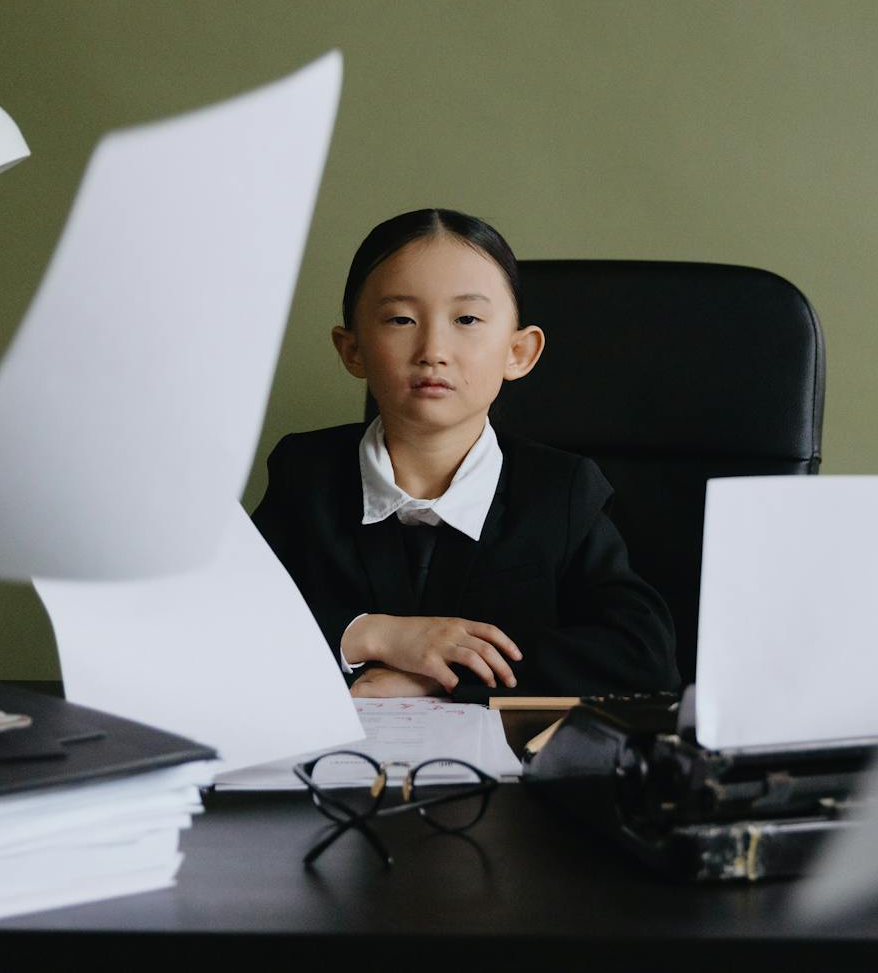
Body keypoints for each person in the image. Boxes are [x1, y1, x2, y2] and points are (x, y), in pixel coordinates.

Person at [252, 208, 680, 697]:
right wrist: (375, 635)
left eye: (467, 319)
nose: (433, 348)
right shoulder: (306, 474)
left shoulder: (561, 491)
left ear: (518, 352)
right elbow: (223, 627)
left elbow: (642, 655)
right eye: (401, 318)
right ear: (352, 351)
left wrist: (437, 678)